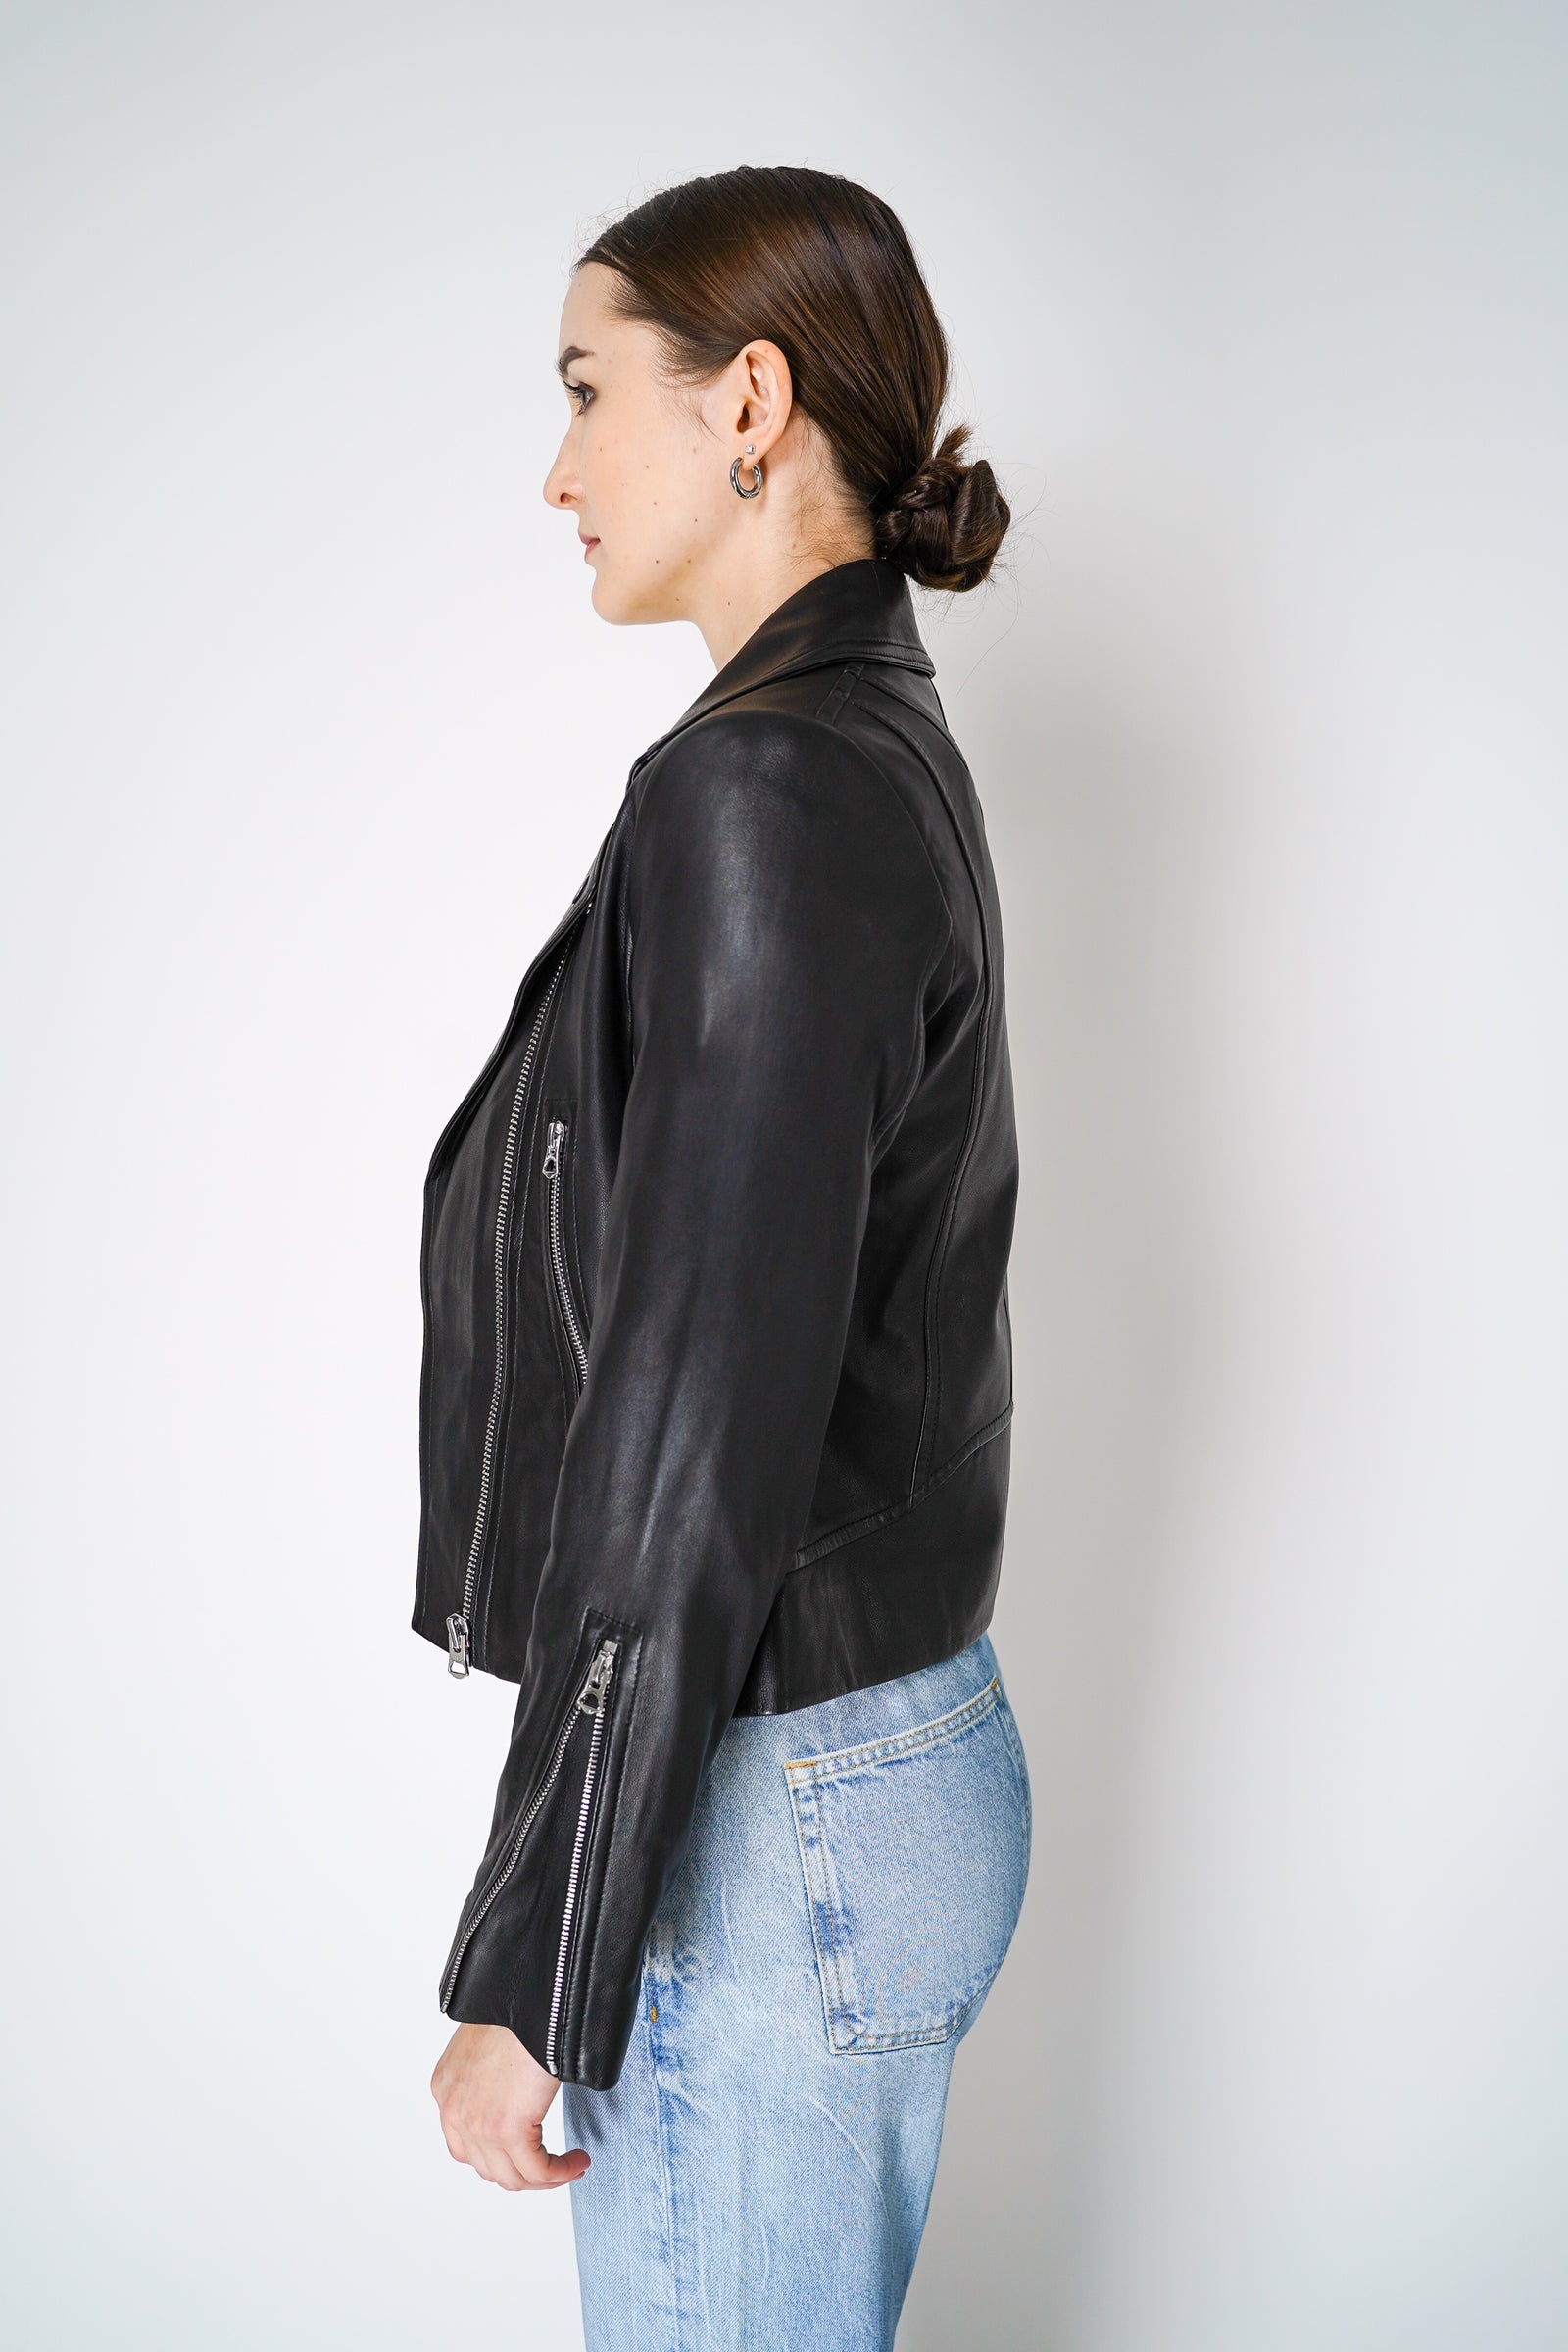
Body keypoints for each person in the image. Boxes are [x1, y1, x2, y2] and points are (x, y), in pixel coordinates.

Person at [418, 164, 1031, 2352]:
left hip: (771, 1820)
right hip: (864, 1754)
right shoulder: (859, 748)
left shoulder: (767, 794)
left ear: (748, 399)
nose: (558, 467)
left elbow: (695, 1429)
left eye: (589, 390)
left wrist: (537, 1956)